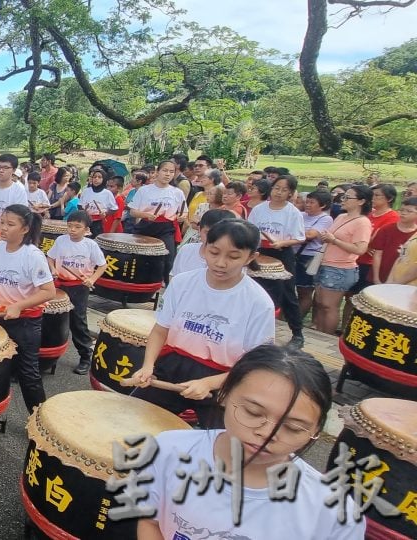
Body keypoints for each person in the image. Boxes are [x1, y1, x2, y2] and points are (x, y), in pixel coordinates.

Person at [133, 344, 364, 539]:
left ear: (315, 430)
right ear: (223, 395)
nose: (267, 433)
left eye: (293, 427)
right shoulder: (167, 451)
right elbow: (151, 521)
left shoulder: (334, 512)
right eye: (253, 412)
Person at [129, 220, 275, 427]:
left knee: (224, 446)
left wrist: (209, 383)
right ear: (203, 249)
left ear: (251, 257)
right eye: (214, 252)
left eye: (233, 256)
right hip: (172, 366)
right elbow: (161, 330)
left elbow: (256, 364)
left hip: (225, 379)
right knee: (133, 422)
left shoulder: (259, 303)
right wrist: (148, 366)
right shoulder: (182, 283)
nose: (221, 263)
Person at [0, 205, 56, 410]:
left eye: (10, 224)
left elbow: (48, 291)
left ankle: (38, 421)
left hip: (25, 322)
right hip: (0, 315)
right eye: (2, 222)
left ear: (25, 229)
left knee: (28, 373)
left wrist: (19, 305)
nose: (3, 228)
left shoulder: (33, 256)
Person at [247, 175, 306, 349]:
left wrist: (282, 243)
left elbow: (299, 238)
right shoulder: (259, 209)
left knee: (288, 293)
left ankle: (297, 334)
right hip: (260, 252)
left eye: (284, 189)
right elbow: (251, 230)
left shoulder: (292, 212)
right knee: (255, 288)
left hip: (282, 252)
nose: (279, 192)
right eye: (276, 188)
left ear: (290, 193)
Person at [47, 210, 107, 374]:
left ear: (86, 229)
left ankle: (85, 357)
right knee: (53, 319)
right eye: (70, 226)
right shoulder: (60, 240)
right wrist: (52, 269)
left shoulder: (90, 245)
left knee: (78, 321)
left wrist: (92, 279)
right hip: (59, 284)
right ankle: (48, 356)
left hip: (79, 287)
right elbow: (50, 257)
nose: (72, 229)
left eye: (77, 227)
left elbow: (102, 265)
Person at [312, 185, 372, 335]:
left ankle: (327, 337)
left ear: (361, 201)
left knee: (329, 305)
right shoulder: (341, 216)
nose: (343, 200)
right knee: (319, 303)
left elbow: (360, 249)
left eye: (348, 197)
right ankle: (318, 334)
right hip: (324, 263)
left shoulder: (362, 222)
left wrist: (335, 240)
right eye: (343, 196)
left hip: (341, 268)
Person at [128, 161, 187, 279]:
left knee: (168, 258)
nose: (168, 174)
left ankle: (163, 283)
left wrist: (182, 217)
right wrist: (146, 215)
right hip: (146, 226)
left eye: (171, 172)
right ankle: (140, 281)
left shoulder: (177, 192)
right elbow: (133, 211)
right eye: (165, 171)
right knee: (141, 257)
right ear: (157, 172)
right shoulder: (144, 190)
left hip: (166, 228)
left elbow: (184, 211)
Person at [296, 191, 334, 320]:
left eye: (312, 202)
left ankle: (298, 319)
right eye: (307, 201)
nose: (307, 205)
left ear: (322, 205)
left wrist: (294, 233)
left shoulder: (325, 219)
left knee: (305, 291)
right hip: (294, 254)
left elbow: (311, 235)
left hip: (309, 257)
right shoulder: (300, 215)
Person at [170, 209, 238, 277]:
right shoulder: (186, 250)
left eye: (221, 234)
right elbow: (174, 276)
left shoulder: (235, 260)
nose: (214, 239)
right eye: (208, 233)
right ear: (199, 230)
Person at [371, 196, 417, 284]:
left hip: (406, 279)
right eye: (402, 210)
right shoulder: (387, 229)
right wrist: (376, 278)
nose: (403, 213)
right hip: (383, 273)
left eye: (409, 211)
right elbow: (377, 254)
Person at [79, 168, 118, 237]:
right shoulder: (86, 191)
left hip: (99, 222)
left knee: (96, 240)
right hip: (85, 221)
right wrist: (83, 211)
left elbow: (114, 209)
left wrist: (105, 213)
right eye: (94, 177)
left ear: (104, 179)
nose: (96, 179)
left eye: (99, 177)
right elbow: (79, 205)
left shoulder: (107, 193)